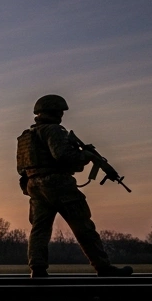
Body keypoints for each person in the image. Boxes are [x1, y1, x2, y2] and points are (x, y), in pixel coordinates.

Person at [17, 94, 132, 277]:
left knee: (40, 229)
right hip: (58, 184)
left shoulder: (26, 136)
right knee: (83, 226)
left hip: (34, 185)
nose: (62, 115)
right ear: (53, 112)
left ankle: (37, 269)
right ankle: (103, 267)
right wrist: (86, 156)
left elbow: (21, 167)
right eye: (60, 111)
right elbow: (63, 156)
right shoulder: (54, 130)